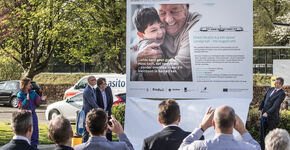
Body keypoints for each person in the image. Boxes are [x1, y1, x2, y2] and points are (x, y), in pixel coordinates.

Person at [131, 4, 201, 81]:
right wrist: (135, 58)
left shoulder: (195, 26)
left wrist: (140, 74)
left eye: (175, 11)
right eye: (163, 13)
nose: (168, 20)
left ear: (187, 8)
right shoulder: (150, 40)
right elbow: (134, 46)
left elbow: (179, 70)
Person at [178, 105, 261, 150]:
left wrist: (202, 126)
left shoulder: (199, 146)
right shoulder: (247, 147)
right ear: (235, 123)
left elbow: (183, 147)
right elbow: (257, 147)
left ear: (213, 123)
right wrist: (243, 130)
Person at [131, 7, 166, 81]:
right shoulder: (151, 47)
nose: (161, 32)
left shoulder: (139, 40)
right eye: (153, 30)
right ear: (141, 35)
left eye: (162, 26)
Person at [17, 77, 46, 148]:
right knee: (24, 133)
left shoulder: (33, 93)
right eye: (29, 83)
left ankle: (34, 147)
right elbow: (21, 106)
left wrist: (41, 100)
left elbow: (37, 102)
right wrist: (26, 100)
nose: (30, 85)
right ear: (25, 85)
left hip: (33, 115)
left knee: (35, 133)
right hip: (24, 116)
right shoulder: (20, 94)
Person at [258, 77, 286, 150]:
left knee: (272, 136)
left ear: (281, 84)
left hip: (272, 118)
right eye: (275, 82)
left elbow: (275, 105)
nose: (275, 84)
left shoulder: (282, 93)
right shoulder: (270, 89)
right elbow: (263, 100)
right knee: (262, 134)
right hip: (263, 116)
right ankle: (262, 148)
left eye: (277, 83)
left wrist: (268, 112)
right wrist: (260, 109)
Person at [82, 75, 98, 143]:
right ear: (88, 81)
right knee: (86, 129)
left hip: (92, 111)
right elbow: (92, 102)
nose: (94, 81)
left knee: (92, 128)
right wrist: (99, 109)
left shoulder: (93, 89)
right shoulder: (87, 90)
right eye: (92, 80)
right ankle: (84, 144)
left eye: (95, 79)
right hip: (87, 112)